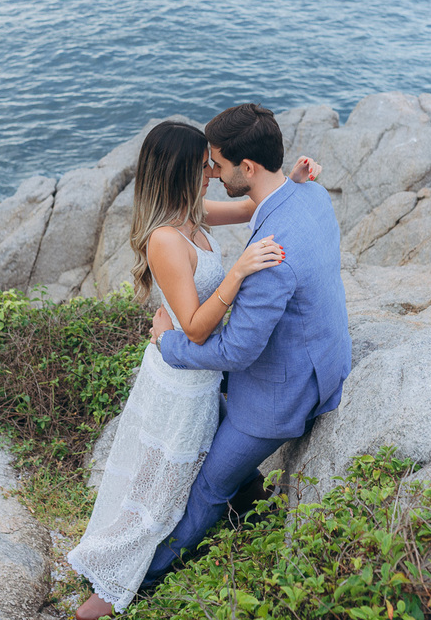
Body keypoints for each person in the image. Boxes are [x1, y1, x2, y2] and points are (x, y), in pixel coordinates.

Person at [67, 119, 321, 619]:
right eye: (204, 164)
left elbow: (253, 203)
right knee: (160, 496)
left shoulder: (194, 213)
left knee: (181, 481)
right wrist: (238, 271)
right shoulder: (166, 239)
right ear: (182, 170)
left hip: (200, 378)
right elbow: (196, 328)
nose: (213, 170)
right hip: (180, 384)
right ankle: (98, 601)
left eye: (213, 162)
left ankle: (229, 524)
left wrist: (292, 179)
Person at [141, 103, 351, 589]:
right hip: (323, 352)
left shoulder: (272, 249)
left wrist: (169, 347)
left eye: (216, 163)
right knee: (202, 416)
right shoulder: (310, 195)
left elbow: (236, 352)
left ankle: (141, 580)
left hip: (287, 389)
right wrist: (297, 178)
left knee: (209, 485)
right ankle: (254, 503)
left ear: (247, 168)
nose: (211, 173)